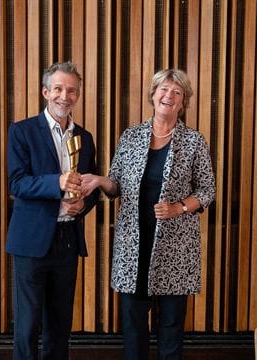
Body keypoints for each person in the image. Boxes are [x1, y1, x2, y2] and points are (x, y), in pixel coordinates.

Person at [81, 69, 215, 359]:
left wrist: (178, 208)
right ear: (153, 95)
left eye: (176, 92)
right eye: (164, 89)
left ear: (183, 102)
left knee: (170, 326)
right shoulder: (131, 137)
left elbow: (207, 190)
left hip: (175, 249)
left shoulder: (194, 142)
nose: (169, 96)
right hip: (133, 246)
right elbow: (115, 184)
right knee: (133, 325)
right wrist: (100, 181)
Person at [6, 61, 99, 360]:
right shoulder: (22, 131)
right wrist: (56, 182)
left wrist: (83, 204)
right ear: (46, 92)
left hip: (67, 240)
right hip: (31, 242)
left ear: (78, 95)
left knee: (60, 325)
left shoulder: (85, 138)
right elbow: (17, 183)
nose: (64, 96)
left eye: (71, 90)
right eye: (58, 88)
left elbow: (92, 187)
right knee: (28, 324)